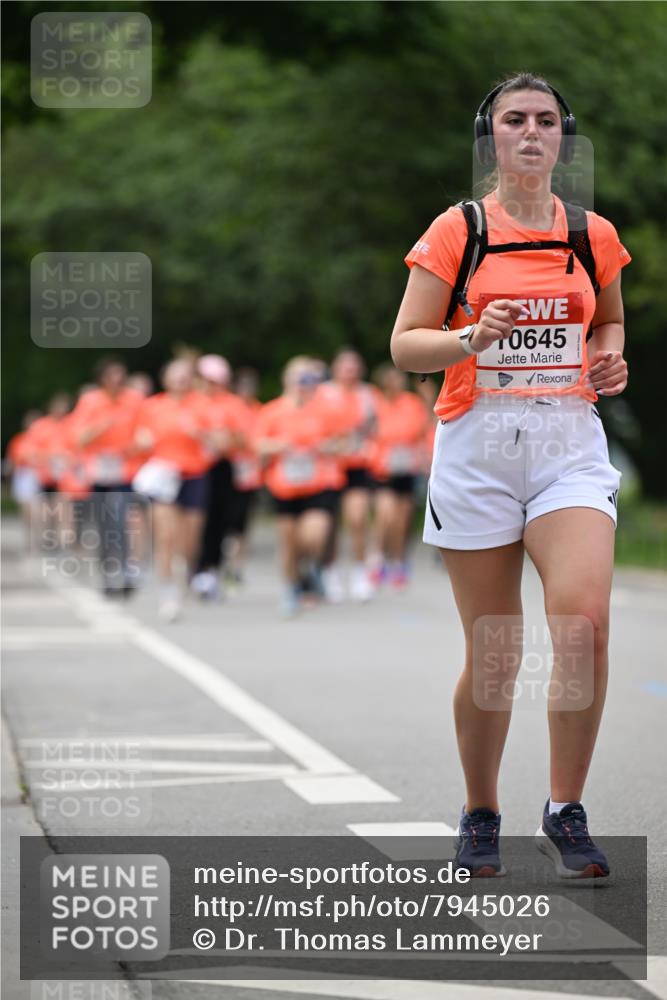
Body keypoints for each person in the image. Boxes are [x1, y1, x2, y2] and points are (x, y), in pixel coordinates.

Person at [391, 73, 630, 878]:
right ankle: (480, 809)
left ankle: (565, 809)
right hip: (478, 447)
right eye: (512, 120)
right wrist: (467, 337)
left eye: (544, 121)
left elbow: (607, 316)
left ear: (563, 135)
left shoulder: (590, 233)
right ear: (488, 136)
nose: (530, 132)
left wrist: (607, 355)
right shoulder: (457, 230)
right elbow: (404, 344)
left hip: (566, 442)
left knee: (584, 626)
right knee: (495, 651)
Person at [255, 356, 344, 616]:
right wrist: (278, 446)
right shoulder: (272, 411)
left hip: (319, 484)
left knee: (313, 536)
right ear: (288, 380)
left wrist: (328, 446)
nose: (305, 384)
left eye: (310, 379)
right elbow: (258, 445)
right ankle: (291, 588)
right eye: (300, 378)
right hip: (284, 485)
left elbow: (344, 442)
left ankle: (312, 566)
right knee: (288, 541)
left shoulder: (326, 410)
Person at [134, 359, 219, 621]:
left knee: (190, 539)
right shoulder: (152, 406)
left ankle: (185, 577)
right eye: (176, 375)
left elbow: (219, 444)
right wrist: (143, 441)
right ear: (166, 378)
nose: (181, 380)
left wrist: (201, 435)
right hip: (164, 475)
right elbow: (139, 439)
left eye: (186, 376)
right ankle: (168, 591)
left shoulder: (202, 405)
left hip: (194, 475)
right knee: (166, 536)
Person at [70, 359, 143, 596]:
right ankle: (108, 572)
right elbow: (79, 438)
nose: (117, 381)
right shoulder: (90, 402)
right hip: (99, 470)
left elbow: (146, 430)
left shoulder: (134, 400)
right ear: (102, 379)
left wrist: (138, 444)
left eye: (121, 376)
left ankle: (126, 568)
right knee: (104, 523)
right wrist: (100, 428)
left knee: (124, 520)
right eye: (112, 376)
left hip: (126, 469)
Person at [316, 349, 377, 602]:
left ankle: (360, 571)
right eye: (345, 367)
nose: (350, 372)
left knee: (358, 518)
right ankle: (329, 571)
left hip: (357, 464)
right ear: (335, 368)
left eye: (354, 367)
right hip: (329, 464)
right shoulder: (323, 393)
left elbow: (375, 426)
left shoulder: (367, 394)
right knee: (329, 524)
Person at [368, 365, 428, 589]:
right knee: (386, 515)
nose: (398, 384)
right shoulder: (376, 404)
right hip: (383, 470)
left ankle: (398, 560)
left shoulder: (412, 403)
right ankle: (377, 557)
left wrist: (423, 457)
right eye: (394, 380)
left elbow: (422, 431)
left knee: (402, 521)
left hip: (407, 468)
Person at [190, 355, 245, 601]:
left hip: (222, 468)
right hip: (194, 468)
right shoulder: (192, 402)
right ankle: (196, 567)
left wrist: (223, 440)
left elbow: (243, 437)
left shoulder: (232, 404)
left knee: (221, 521)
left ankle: (210, 568)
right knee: (196, 522)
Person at [225, 367, 264, 591]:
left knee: (244, 521)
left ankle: (237, 565)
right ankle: (226, 561)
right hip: (232, 468)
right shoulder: (230, 407)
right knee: (228, 519)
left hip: (251, 472)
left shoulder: (259, 409)